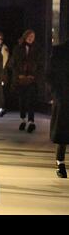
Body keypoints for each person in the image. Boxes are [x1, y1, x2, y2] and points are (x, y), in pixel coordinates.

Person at [10, 29, 43, 133]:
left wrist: (34, 76)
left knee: (31, 100)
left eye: (33, 36)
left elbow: (40, 64)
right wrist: (18, 75)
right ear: (25, 36)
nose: (31, 38)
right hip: (20, 79)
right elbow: (13, 64)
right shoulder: (18, 48)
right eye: (29, 36)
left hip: (32, 79)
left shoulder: (37, 49)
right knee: (22, 100)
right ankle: (23, 119)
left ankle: (31, 121)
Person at [47, 39, 69, 178]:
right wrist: (57, 94)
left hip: (62, 96)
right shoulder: (59, 51)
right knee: (63, 130)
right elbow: (50, 74)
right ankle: (60, 162)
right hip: (64, 96)